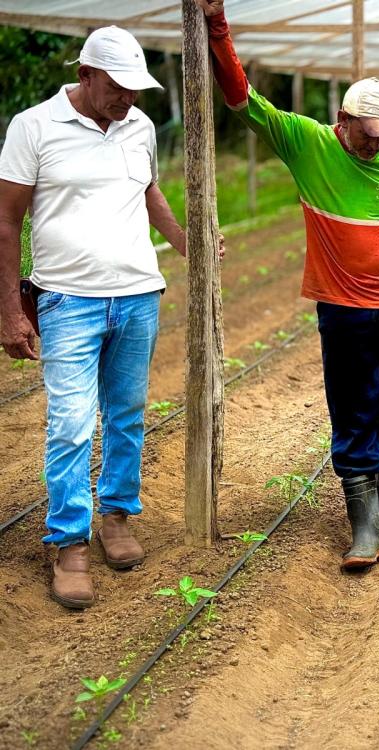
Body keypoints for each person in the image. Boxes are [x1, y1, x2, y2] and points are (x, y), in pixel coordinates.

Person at [195, 0, 379, 570]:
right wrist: (217, 27)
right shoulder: (308, 143)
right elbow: (242, 100)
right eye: (370, 135)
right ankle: (362, 528)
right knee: (354, 408)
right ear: (345, 121)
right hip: (345, 308)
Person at [0, 26, 219, 609]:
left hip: (138, 294)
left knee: (126, 414)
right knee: (71, 423)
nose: (128, 99)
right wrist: (8, 312)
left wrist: (185, 243)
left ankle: (117, 514)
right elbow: (5, 221)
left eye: (136, 89)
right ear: (85, 76)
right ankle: (68, 541)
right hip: (67, 299)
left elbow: (148, 192)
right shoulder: (33, 127)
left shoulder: (139, 127)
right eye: (117, 87)